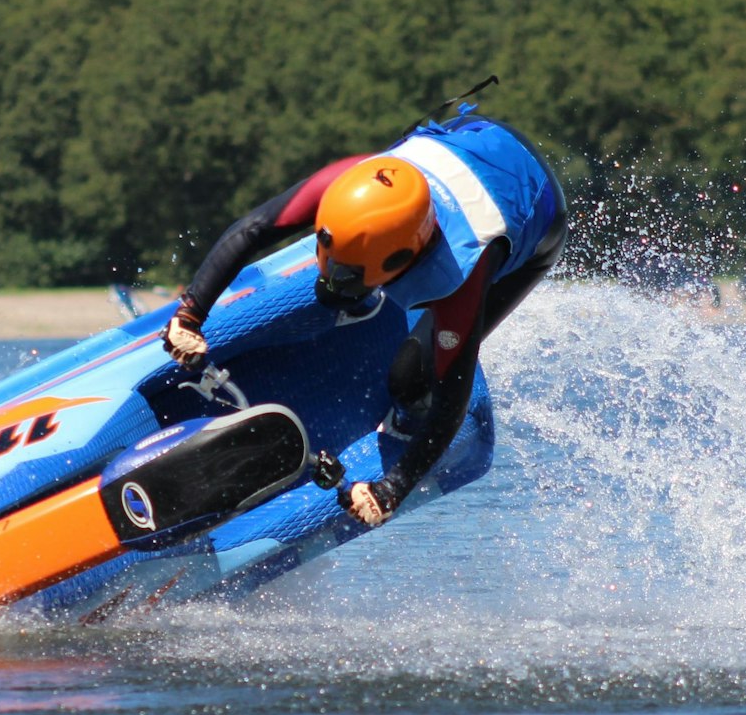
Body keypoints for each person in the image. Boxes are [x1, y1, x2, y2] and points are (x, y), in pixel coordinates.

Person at [162, 108, 566, 529]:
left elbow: (451, 404)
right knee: (328, 293)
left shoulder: (461, 281)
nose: (331, 270)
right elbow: (255, 228)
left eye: (347, 270)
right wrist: (189, 313)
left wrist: (392, 488)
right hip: (473, 137)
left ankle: (405, 420)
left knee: (411, 380)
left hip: (536, 212)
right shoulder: (348, 181)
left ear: (403, 259)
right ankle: (357, 300)